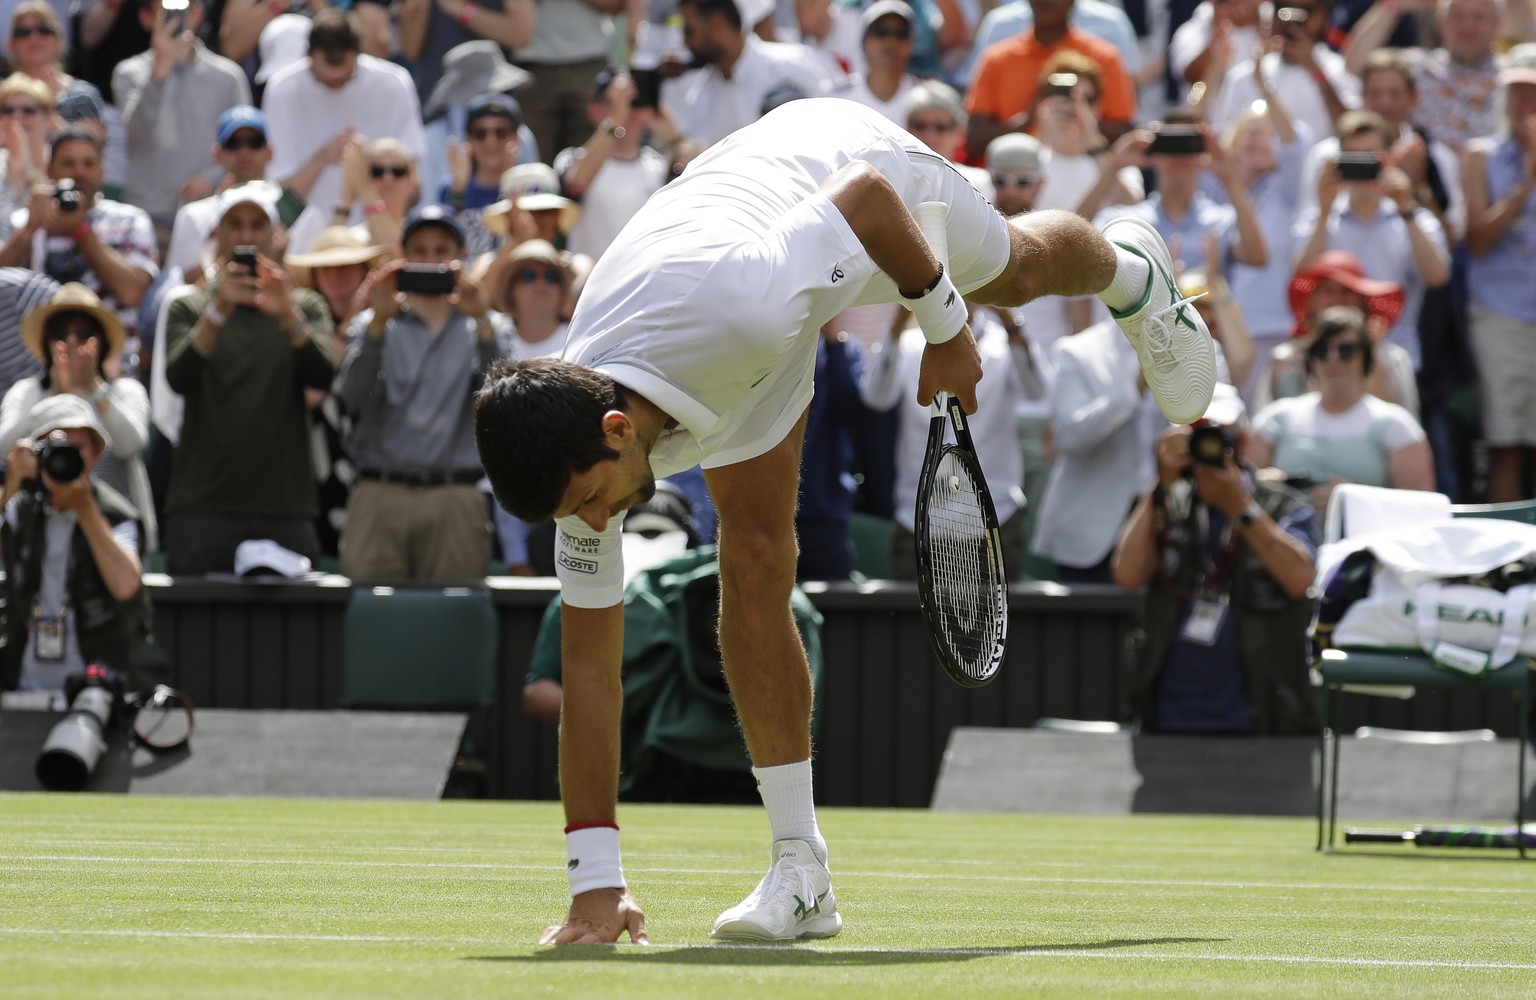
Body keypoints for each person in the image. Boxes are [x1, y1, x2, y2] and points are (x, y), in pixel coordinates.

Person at [471, 98, 1216, 945]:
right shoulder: (583, 441)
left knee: (1014, 272)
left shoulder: (737, 308)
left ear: (615, 431)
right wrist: (594, 888)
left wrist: (944, 325)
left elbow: (862, 195)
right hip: (746, 306)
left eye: (590, 501)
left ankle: (1132, 271)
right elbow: (590, 672)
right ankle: (803, 875)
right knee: (752, 557)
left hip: (851, 175)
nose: (596, 521)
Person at [1110, 384, 1320, 735]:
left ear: (1243, 441)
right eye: (1196, 436)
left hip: (1262, 719)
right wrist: (1159, 486)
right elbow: (1127, 575)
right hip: (1167, 717)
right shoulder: (1170, 502)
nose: (1208, 449)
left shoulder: (1282, 504)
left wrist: (1239, 507)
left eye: (1221, 436)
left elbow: (1300, 579)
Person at [160, 184, 335, 575]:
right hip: (202, 505)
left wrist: (287, 315)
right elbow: (179, 377)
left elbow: (322, 374)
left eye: (257, 225)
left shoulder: (305, 305)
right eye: (234, 225)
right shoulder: (188, 305)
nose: (246, 236)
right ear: (217, 235)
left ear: (275, 235)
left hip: (284, 506)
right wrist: (218, 310)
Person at [334, 205, 508, 581]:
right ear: (403, 257)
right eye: (420, 251)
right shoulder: (372, 322)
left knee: (453, 625)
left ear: (461, 258)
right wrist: (378, 323)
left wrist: (482, 322)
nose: (430, 260)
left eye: (441, 250)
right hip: (380, 492)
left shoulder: (487, 324)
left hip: (454, 495)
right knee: (372, 618)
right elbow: (351, 397)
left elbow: (501, 404)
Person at [0, 393, 163, 694]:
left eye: (76, 450)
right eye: (54, 450)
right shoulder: (19, 508)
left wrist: (84, 506)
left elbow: (127, 586)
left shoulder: (117, 515)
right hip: (20, 689)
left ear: (96, 453)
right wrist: (9, 487)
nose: (65, 460)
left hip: (94, 693)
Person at [1293, 109, 1450, 370]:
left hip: (1395, 358)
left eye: (1371, 158)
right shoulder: (1318, 218)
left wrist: (1405, 206)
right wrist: (1324, 212)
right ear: (1339, 161)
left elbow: (1437, 277)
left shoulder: (1415, 218)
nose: (1363, 167)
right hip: (1330, 360)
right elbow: (1301, 280)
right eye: (1353, 158)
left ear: (1389, 159)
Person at [0, 282, 153, 550]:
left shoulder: (125, 390)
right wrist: (56, 397)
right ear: (46, 342)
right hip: (38, 529)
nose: (71, 341)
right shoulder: (27, 392)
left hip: (114, 528)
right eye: (60, 332)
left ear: (102, 341)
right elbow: (5, 448)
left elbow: (132, 444)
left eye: (83, 333)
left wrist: (93, 388)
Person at [260, 7, 424, 254]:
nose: (335, 83)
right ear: (309, 54)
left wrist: (368, 169)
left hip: (381, 243)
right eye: (326, 77)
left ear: (357, 53)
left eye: (343, 76)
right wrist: (323, 158)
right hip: (304, 246)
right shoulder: (281, 90)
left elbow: (414, 185)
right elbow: (278, 194)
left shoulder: (394, 84)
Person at [1248, 306, 1433, 512]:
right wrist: (1266, 484)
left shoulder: (1396, 425)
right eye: (1321, 350)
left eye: (1346, 350)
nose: (1333, 358)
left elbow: (1422, 508)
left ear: (1366, 357)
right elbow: (1242, 494)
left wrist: (1354, 501)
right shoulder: (1275, 418)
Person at [0, 127, 158, 352]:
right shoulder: (24, 221)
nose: (79, 172)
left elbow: (132, 292)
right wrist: (28, 230)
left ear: (103, 171)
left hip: (112, 361)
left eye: (89, 164)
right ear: (49, 170)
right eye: (68, 163)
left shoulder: (130, 220)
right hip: (33, 364)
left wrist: (81, 231)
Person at [111, 0, 250, 241]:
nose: (176, 19)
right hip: (148, 221)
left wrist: (211, 178)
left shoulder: (228, 77)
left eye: (182, 10)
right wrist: (159, 70)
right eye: (166, 12)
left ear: (197, 14)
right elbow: (136, 132)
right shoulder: (128, 73)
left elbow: (246, 144)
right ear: (146, 18)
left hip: (210, 220)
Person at [1464, 42, 1536, 502]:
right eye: (1516, 93)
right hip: (1500, 315)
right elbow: (1477, 238)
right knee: (1507, 448)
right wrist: (1527, 182)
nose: (1523, 105)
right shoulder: (1481, 156)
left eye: (1532, 94)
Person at [965, 0, 1138, 157]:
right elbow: (974, 140)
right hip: (1015, 183)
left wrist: (1081, 116)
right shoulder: (996, 59)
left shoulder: (1105, 57)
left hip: (1093, 176)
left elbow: (1124, 133)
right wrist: (1029, 120)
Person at [162, 106, 314, 275]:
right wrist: (216, 246)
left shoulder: (302, 215)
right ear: (217, 154)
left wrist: (277, 262)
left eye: (254, 143)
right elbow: (178, 286)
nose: (244, 152)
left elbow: (312, 284)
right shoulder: (193, 215)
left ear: (270, 152)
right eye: (233, 144)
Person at [663, 0, 834, 148]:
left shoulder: (791, 66)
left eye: (689, 31)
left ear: (718, 24)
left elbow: (837, 127)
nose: (685, 42)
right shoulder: (700, 94)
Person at [1342, 0, 1505, 150]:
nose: (1467, 26)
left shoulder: (1514, 75)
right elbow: (1356, 64)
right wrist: (1393, 5)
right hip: (1429, 177)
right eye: (1457, 17)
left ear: (1498, 23)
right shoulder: (1421, 68)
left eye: (1478, 17)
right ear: (1442, 21)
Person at [554, 68, 669, 261]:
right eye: (612, 102)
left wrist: (674, 136)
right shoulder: (572, 157)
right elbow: (575, 184)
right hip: (588, 283)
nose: (626, 110)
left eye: (633, 102)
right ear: (593, 111)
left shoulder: (659, 166)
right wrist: (615, 119)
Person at [1209, 0, 1360, 140]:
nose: (1290, 18)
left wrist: (1317, 72)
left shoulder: (1341, 70)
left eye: (1303, 11)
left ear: (1322, 16)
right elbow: (1226, 138)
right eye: (1281, 8)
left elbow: (1352, 130)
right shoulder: (1242, 76)